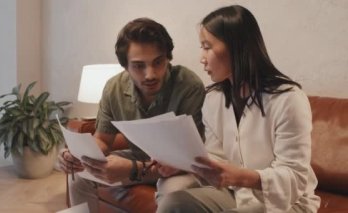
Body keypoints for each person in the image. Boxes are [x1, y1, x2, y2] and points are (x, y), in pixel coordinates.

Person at [157, 5, 320, 213]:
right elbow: (216, 158)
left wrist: (241, 176)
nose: (202, 58)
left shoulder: (288, 100)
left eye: (207, 47)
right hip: (238, 194)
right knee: (174, 203)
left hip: (290, 204)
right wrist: (180, 165)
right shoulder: (213, 99)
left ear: (236, 46)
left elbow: (295, 177)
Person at [58, 17, 206, 212]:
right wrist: (75, 155)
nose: (150, 74)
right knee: (81, 177)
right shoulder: (114, 88)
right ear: (125, 66)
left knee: (173, 193)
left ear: (168, 58)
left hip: (179, 169)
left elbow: (189, 159)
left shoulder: (189, 86)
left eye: (158, 62)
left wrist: (132, 168)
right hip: (138, 158)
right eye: (138, 66)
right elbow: (102, 140)